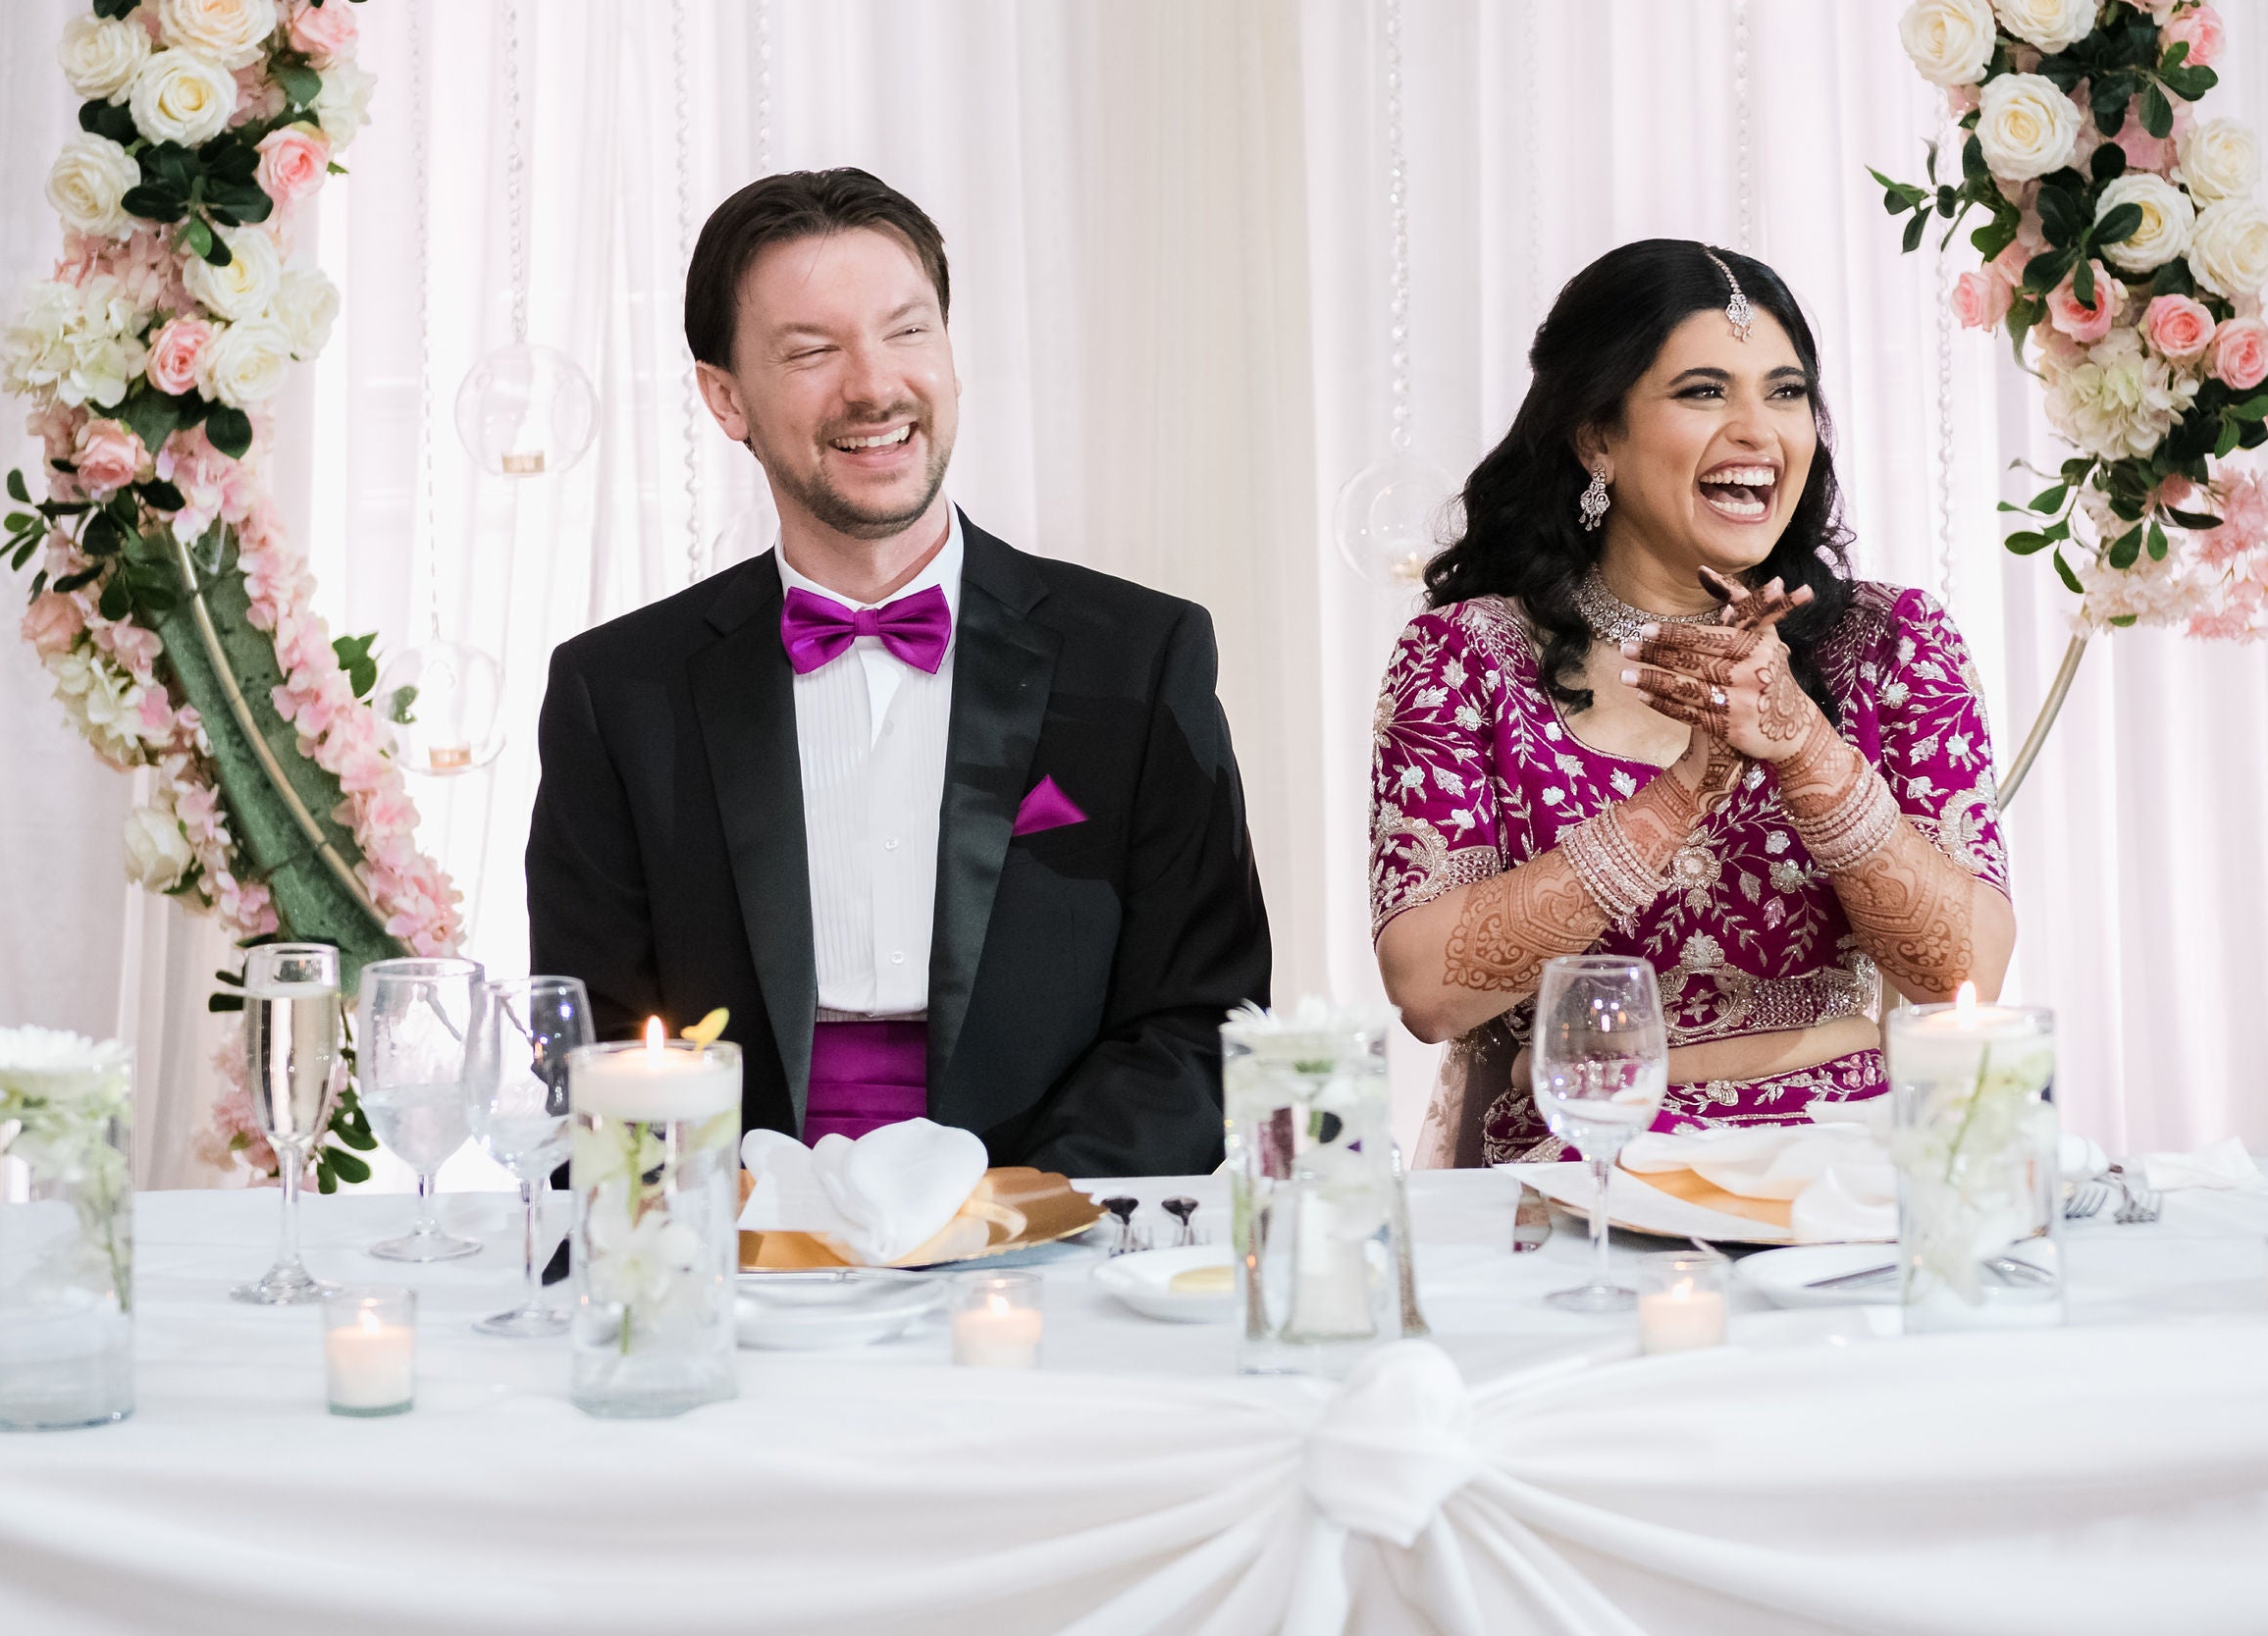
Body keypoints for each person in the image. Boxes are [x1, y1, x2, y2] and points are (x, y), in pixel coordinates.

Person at [526, 168, 1271, 1176]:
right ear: (726, 398)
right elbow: (590, 1042)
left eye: (908, 332)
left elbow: (1202, 1017)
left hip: (1048, 1235)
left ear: (953, 359)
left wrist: (1008, 1209)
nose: (874, 385)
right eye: (813, 350)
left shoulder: (1140, 657)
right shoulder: (617, 693)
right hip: (738, 1245)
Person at [1369, 238, 2016, 1167]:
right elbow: (1429, 992)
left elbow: (1966, 976)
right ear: (1597, 434)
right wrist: (1683, 793)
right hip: (1583, 1178)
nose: (1759, 432)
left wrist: (1804, 748)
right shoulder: (1468, 660)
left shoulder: (1889, 643)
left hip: (1850, 1170)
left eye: (1786, 392)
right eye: (1704, 391)